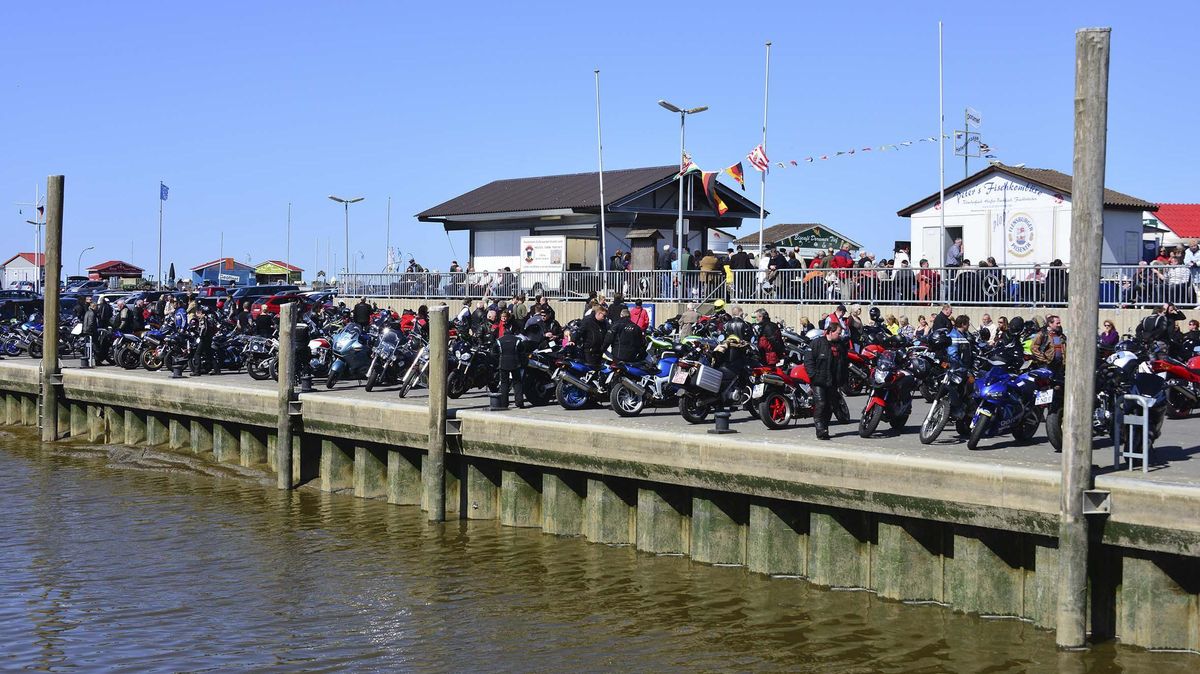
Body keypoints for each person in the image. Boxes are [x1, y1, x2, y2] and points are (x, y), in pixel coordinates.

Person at [804, 321, 849, 440]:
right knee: (821, 403)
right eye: (838, 333)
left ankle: (825, 427)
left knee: (830, 406)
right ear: (830, 332)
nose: (840, 335)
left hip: (833, 381)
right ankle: (820, 429)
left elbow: (844, 363)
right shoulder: (817, 343)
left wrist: (843, 379)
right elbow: (808, 361)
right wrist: (813, 375)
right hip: (819, 380)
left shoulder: (841, 346)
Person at [496, 323, 531, 408]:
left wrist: (498, 360)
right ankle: (519, 402)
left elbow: (494, 352)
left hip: (503, 363)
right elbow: (522, 352)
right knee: (517, 383)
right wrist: (523, 363)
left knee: (504, 383)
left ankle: (504, 403)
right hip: (515, 364)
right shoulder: (517, 340)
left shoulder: (499, 340)